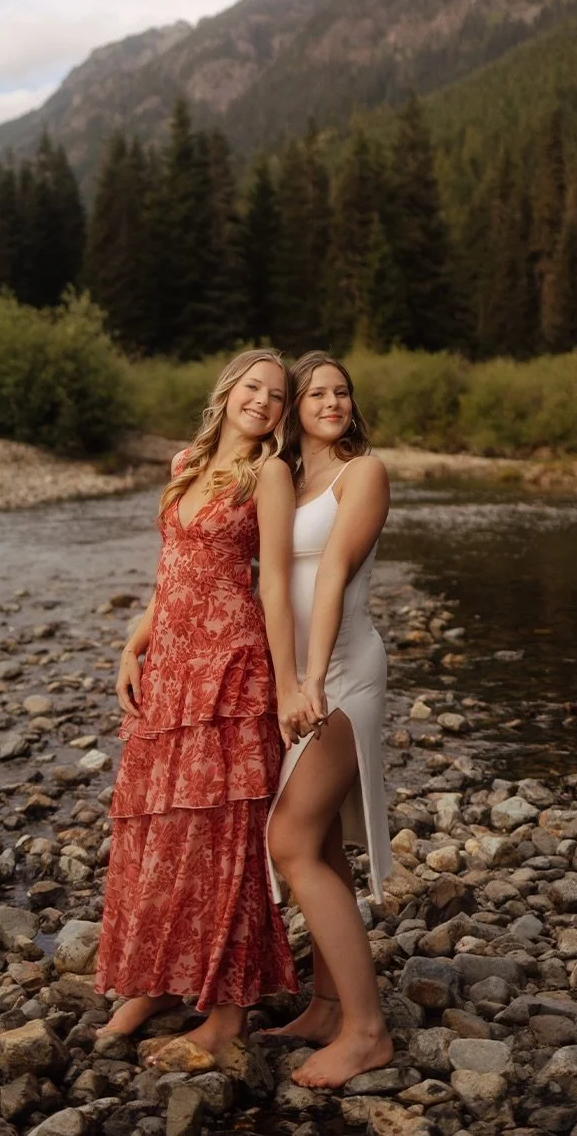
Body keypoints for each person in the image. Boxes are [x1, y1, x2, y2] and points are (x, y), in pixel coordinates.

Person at [95, 348, 319, 1055]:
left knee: (226, 836)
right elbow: (170, 572)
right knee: (158, 829)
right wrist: (135, 642)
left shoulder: (270, 475)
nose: (263, 400)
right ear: (228, 392)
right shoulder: (185, 465)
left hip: (231, 668)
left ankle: (226, 1016)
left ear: (282, 415)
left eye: (277, 396)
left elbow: (275, 586)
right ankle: (154, 980)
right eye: (254, 386)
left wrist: (288, 686)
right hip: (171, 665)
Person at [265, 349, 396, 1089]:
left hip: (344, 672)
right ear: (294, 406)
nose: (333, 400)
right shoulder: (289, 476)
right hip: (307, 677)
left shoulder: (361, 472)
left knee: (288, 838)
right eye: (317, 391)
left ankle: (368, 1032)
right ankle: (325, 1003)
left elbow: (336, 573)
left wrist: (307, 681)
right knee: (317, 841)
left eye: (341, 390)